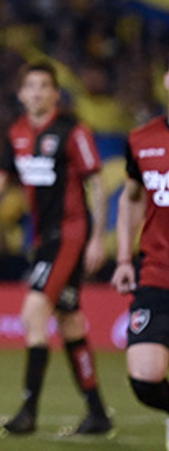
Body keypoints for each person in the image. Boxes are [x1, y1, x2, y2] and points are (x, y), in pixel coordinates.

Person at [0, 62, 111, 437]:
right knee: (69, 320)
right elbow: (0, 177)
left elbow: (97, 181)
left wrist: (99, 236)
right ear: (21, 94)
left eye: (44, 86)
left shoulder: (73, 131)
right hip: (42, 239)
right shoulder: (18, 133)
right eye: (30, 87)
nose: (37, 93)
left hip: (69, 235)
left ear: (56, 93)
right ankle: (98, 413)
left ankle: (28, 412)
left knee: (33, 311)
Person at [111, 65, 169, 448]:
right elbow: (131, 199)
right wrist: (122, 259)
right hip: (157, 273)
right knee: (145, 379)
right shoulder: (142, 138)